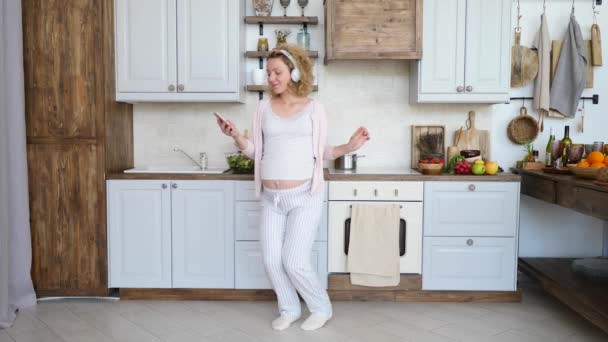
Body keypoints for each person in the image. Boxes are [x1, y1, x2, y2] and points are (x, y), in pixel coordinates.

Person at [217, 44, 369, 331]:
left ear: (294, 73)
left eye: (277, 72)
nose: (271, 78)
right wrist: (236, 136)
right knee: (272, 260)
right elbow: (255, 153)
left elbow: (320, 151)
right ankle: (289, 308)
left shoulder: (313, 108)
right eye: (268, 72)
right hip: (271, 199)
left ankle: (321, 307)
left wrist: (349, 147)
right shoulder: (262, 108)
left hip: (304, 197)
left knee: (294, 260)